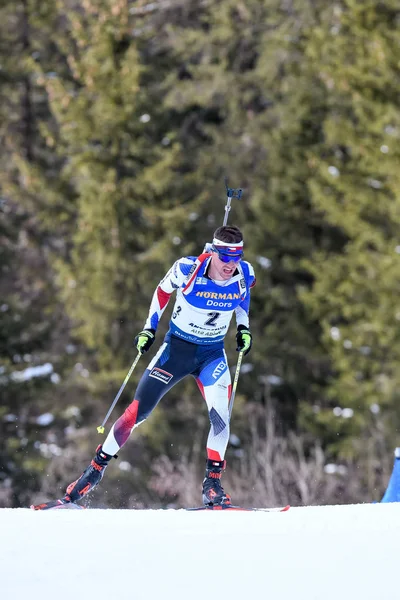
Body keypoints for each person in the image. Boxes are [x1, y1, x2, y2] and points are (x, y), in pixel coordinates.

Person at [65, 225, 256, 507]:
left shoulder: (245, 273)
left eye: (236, 256)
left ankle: (212, 485)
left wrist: (244, 328)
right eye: (226, 257)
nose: (231, 264)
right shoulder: (187, 269)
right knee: (135, 414)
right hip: (176, 351)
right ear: (213, 252)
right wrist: (148, 329)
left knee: (221, 417)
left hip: (212, 355)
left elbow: (242, 299)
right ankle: (94, 471)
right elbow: (162, 291)